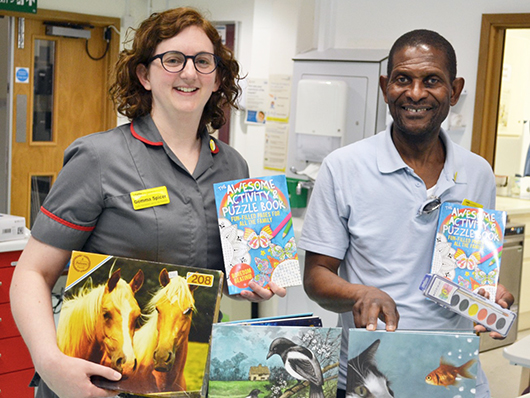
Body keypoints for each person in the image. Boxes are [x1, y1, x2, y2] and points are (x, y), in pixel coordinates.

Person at [9, 7, 285, 398]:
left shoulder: (232, 165)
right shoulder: (98, 158)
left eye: (203, 62)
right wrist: (49, 363)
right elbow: (31, 275)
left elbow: (219, 275)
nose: (189, 73)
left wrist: (250, 283)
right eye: (172, 60)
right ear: (144, 75)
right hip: (96, 380)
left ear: (217, 78)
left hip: (182, 375)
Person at [298, 29, 514, 398]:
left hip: (451, 369)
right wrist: (360, 295)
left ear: (455, 90)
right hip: (371, 372)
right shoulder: (344, 167)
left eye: (432, 80)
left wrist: (489, 294)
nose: (415, 93)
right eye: (403, 79)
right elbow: (317, 275)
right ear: (385, 87)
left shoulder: (477, 173)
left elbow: (470, 269)